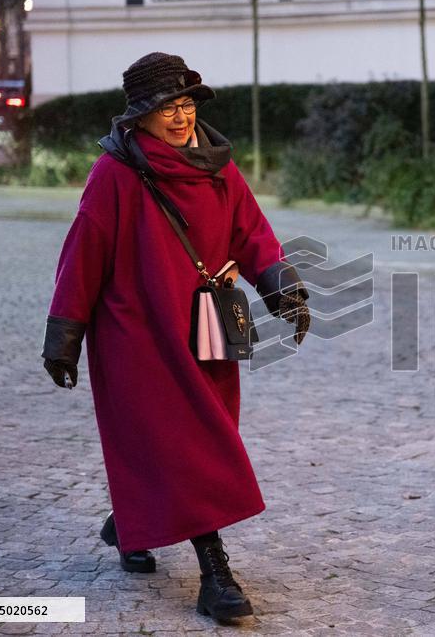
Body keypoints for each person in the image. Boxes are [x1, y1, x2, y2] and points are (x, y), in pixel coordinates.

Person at [40, 52, 311, 621]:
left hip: (207, 326)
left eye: (186, 103)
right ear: (139, 115)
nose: (181, 116)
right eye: (167, 107)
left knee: (199, 437)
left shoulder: (216, 166)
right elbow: (84, 252)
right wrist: (64, 334)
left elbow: (252, 230)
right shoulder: (115, 173)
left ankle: (133, 522)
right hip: (135, 334)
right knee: (183, 443)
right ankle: (216, 574)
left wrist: (283, 289)